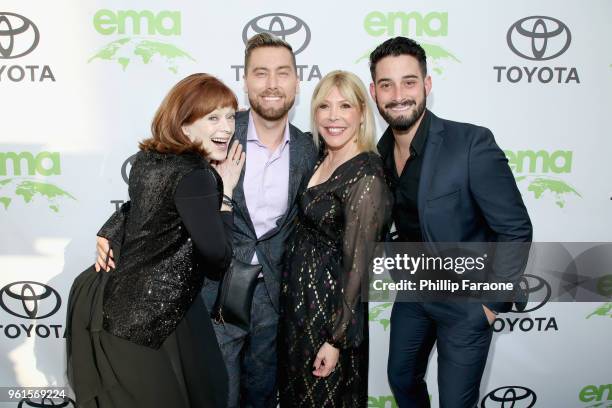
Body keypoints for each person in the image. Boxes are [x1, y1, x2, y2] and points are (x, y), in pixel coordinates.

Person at [95, 33, 318, 408]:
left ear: (297, 81)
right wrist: (113, 228)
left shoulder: (310, 148)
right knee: (216, 391)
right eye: (261, 73)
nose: (272, 84)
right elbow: (160, 186)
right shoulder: (217, 130)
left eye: (283, 73)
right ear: (245, 82)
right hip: (213, 289)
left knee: (262, 390)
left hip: (273, 292)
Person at [368, 37, 533, 407]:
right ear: (374, 93)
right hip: (413, 294)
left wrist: (489, 305)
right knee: (400, 377)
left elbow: (515, 228)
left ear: (426, 85)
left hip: (467, 302)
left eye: (409, 82)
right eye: (386, 84)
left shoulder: (470, 143)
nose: (398, 94)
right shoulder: (375, 155)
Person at [66, 73, 245, 408]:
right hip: (152, 325)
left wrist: (110, 227)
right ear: (184, 123)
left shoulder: (149, 160)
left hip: (111, 310)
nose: (226, 128)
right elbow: (218, 259)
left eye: (231, 116)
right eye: (213, 118)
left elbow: (146, 208)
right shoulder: (196, 175)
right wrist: (226, 197)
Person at [278, 70, 393, 407]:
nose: (333, 117)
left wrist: (336, 339)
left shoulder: (367, 175)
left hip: (329, 318)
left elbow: (359, 268)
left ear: (361, 113)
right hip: (299, 310)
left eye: (344, 106)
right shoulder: (321, 156)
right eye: (324, 106)